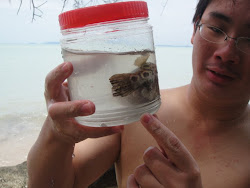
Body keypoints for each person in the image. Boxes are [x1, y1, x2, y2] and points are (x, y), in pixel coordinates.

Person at [27, 0, 250, 187]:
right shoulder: (133, 110)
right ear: (194, 30)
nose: (227, 53)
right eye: (216, 29)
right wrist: (58, 135)